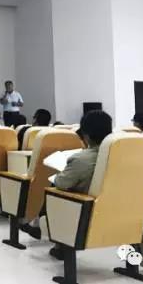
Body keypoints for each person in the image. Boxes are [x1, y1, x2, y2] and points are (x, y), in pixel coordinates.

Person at [49, 110, 112, 259]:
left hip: (85, 214)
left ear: (86, 135)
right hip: (118, 211)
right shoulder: (121, 155)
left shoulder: (80, 159)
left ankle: (60, 244)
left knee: (54, 188)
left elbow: (62, 183)